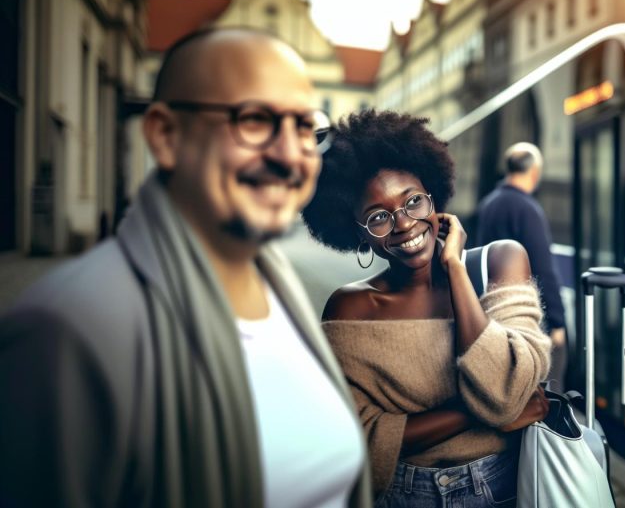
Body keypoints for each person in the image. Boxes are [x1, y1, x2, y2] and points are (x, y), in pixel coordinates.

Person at [0, 28, 372, 508]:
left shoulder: (281, 288)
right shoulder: (68, 328)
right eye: (255, 119)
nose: (287, 155)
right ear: (165, 134)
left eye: (305, 127)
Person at [302, 110, 551, 507]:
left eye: (413, 202)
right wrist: (474, 415)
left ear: (433, 195)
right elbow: (359, 438)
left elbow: (504, 390)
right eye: (378, 217)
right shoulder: (351, 309)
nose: (403, 224)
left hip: (502, 489)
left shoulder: (501, 262)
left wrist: (454, 268)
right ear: (358, 234)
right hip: (402, 495)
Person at [476, 142, 568, 391]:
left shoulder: (489, 204)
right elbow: (543, 268)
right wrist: (557, 322)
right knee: (545, 387)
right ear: (534, 172)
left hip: (492, 309)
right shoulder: (528, 209)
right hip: (524, 314)